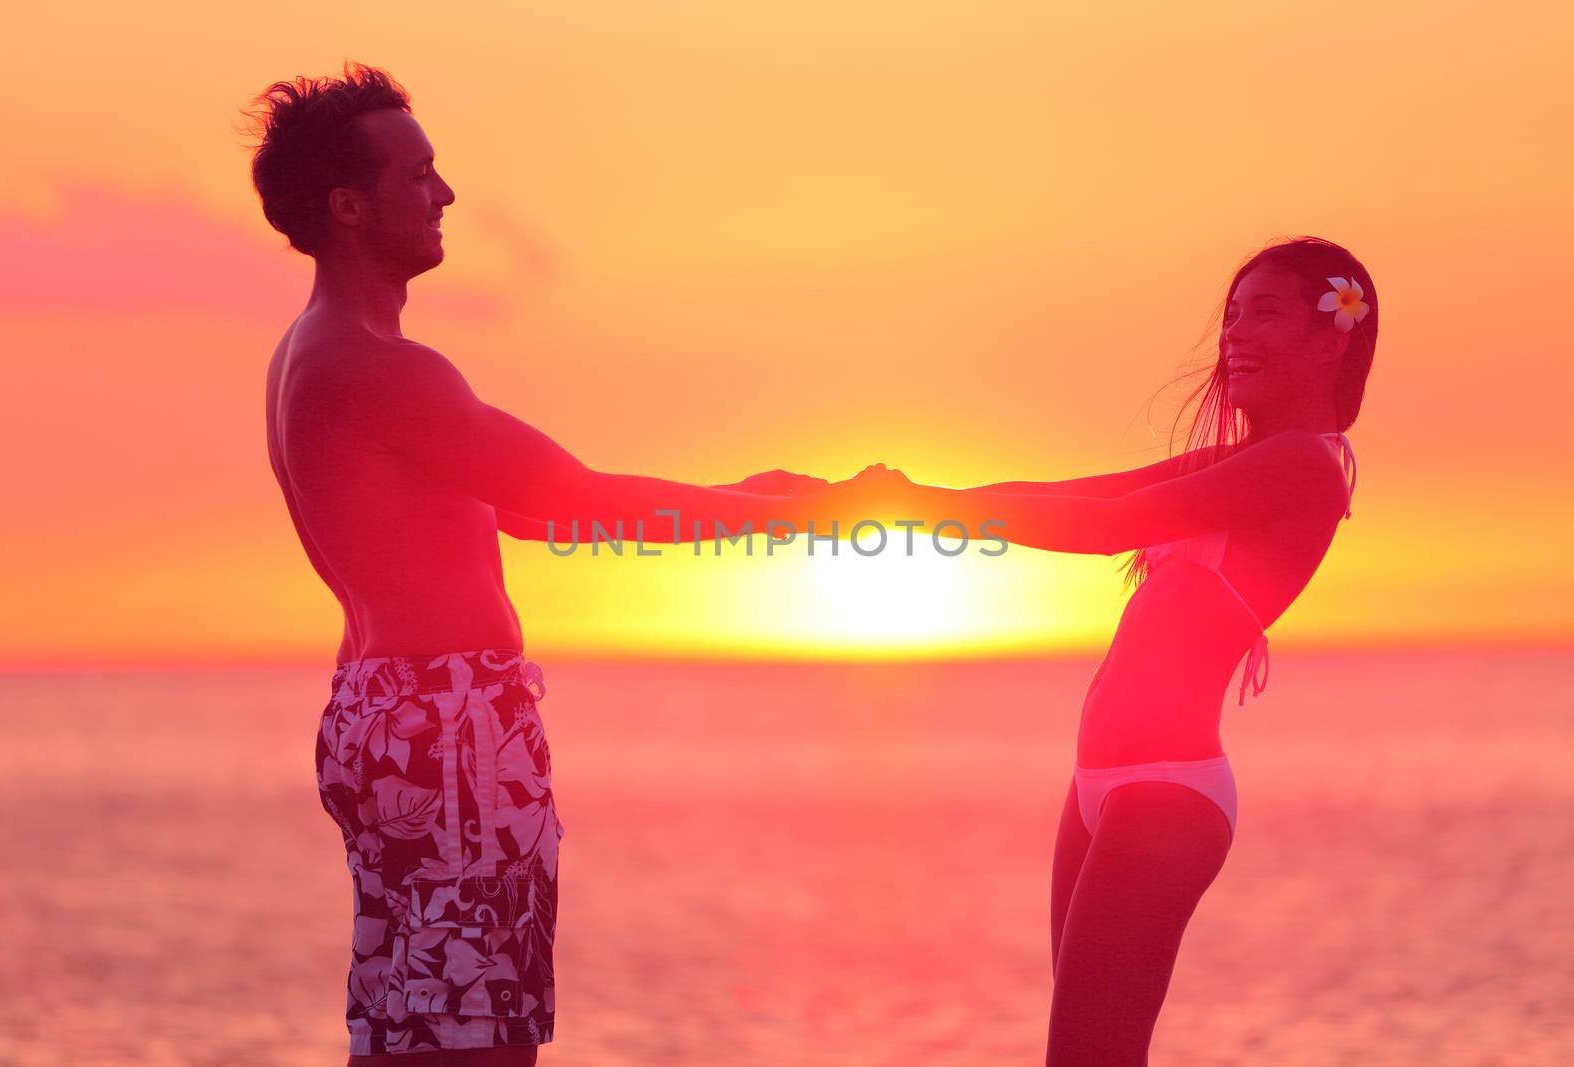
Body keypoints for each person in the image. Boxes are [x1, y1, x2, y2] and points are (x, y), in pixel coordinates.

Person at [245, 62, 838, 1065]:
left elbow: (521, 514)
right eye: (418, 174)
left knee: (413, 1026)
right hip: (449, 729)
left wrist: (746, 497)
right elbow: (569, 493)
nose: (445, 195)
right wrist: (777, 518)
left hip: (392, 714)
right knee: (476, 1040)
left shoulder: (313, 353)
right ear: (348, 205)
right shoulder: (377, 366)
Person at [848, 237, 1376, 1065]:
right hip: (1096, 787)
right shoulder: (1240, 461)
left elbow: (1104, 529)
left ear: (1332, 335)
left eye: (1263, 312)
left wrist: (918, 511)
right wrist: (913, 498)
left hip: (1166, 796)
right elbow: (1079, 495)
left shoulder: (1307, 467)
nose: (1234, 333)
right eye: (1231, 314)